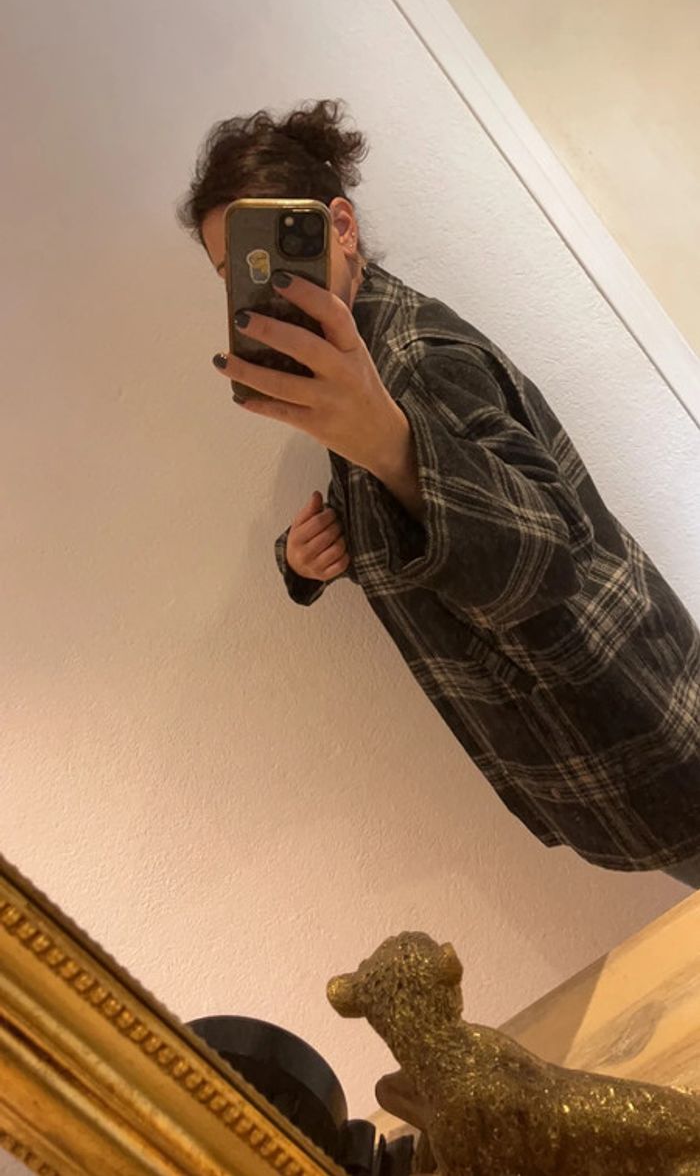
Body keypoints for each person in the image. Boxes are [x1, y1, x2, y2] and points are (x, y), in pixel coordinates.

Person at [178, 100, 700, 886]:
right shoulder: (357, 370)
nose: (260, 287)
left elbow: (541, 559)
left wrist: (394, 447)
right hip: (608, 741)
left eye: (274, 253)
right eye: (235, 275)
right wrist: (304, 559)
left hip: (640, 729)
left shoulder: (414, 357)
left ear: (340, 228)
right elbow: (413, 529)